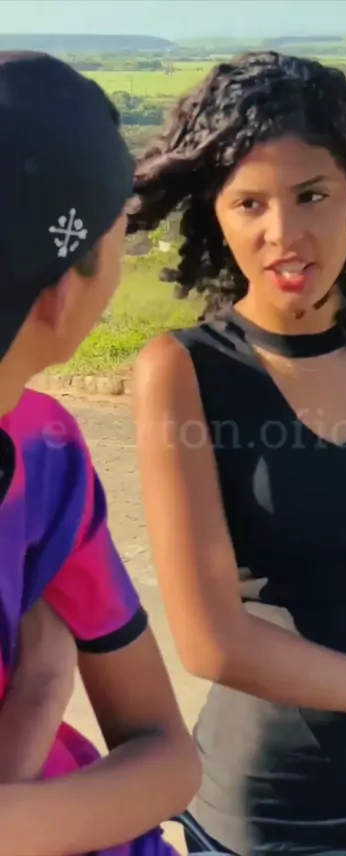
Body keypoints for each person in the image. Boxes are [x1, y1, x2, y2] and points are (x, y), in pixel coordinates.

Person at [129, 50, 346, 856]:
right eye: (250, 203)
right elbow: (211, 639)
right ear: (215, 214)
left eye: (312, 195)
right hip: (268, 810)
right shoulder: (182, 371)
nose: (283, 234)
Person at [0, 51, 201, 856]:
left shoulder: (45, 451)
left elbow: (170, 759)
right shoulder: (38, 450)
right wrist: (40, 691)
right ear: (63, 293)